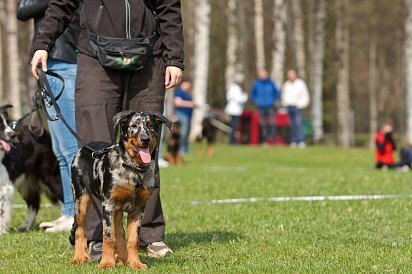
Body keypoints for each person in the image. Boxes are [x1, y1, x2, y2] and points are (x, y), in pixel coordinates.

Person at [31, 0, 184, 259]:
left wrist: (175, 59)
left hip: (148, 57)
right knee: (94, 151)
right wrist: (42, 43)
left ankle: (150, 235)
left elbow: (169, 8)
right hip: (95, 57)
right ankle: (97, 238)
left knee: (146, 150)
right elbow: (61, 4)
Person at [17, 0, 80, 232]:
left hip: (65, 63)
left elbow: (24, 10)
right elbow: (23, 11)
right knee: (60, 149)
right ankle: (68, 212)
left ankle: (77, 214)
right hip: (50, 64)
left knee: (71, 149)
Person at [250, 68, 279, 145]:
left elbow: (276, 93)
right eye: (260, 74)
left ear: (266, 74)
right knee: (263, 123)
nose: (262, 75)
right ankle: (265, 140)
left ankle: (274, 140)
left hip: (270, 105)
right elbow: (252, 94)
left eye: (263, 74)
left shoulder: (271, 83)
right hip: (261, 106)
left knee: (273, 123)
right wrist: (256, 101)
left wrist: (275, 101)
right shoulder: (256, 83)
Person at [281, 69, 310, 148]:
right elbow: (284, 96)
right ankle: (293, 141)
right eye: (289, 74)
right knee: (291, 124)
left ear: (295, 74)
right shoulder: (286, 84)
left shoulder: (300, 83)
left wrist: (302, 104)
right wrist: (285, 104)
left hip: (298, 106)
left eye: (292, 74)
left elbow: (305, 95)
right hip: (289, 106)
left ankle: (300, 141)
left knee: (298, 124)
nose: (291, 76)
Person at [225, 73, 247, 144]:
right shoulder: (235, 88)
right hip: (235, 110)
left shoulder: (231, 87)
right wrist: (245, 97)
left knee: (233, 126)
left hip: (233, 110)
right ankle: (232, 141)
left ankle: (233, 141)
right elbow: (239, 99)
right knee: (234, 127)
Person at [174, 79, 194, 154]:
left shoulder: (187, 93)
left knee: (186, 132)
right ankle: (182, 149)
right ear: (183, 84)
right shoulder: (179, 92)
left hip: (187, 115)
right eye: (188, 84)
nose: (189, 86)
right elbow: (177, 103)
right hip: (181, 114)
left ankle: (185, 148)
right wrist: (190, 104)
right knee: (183, 132)